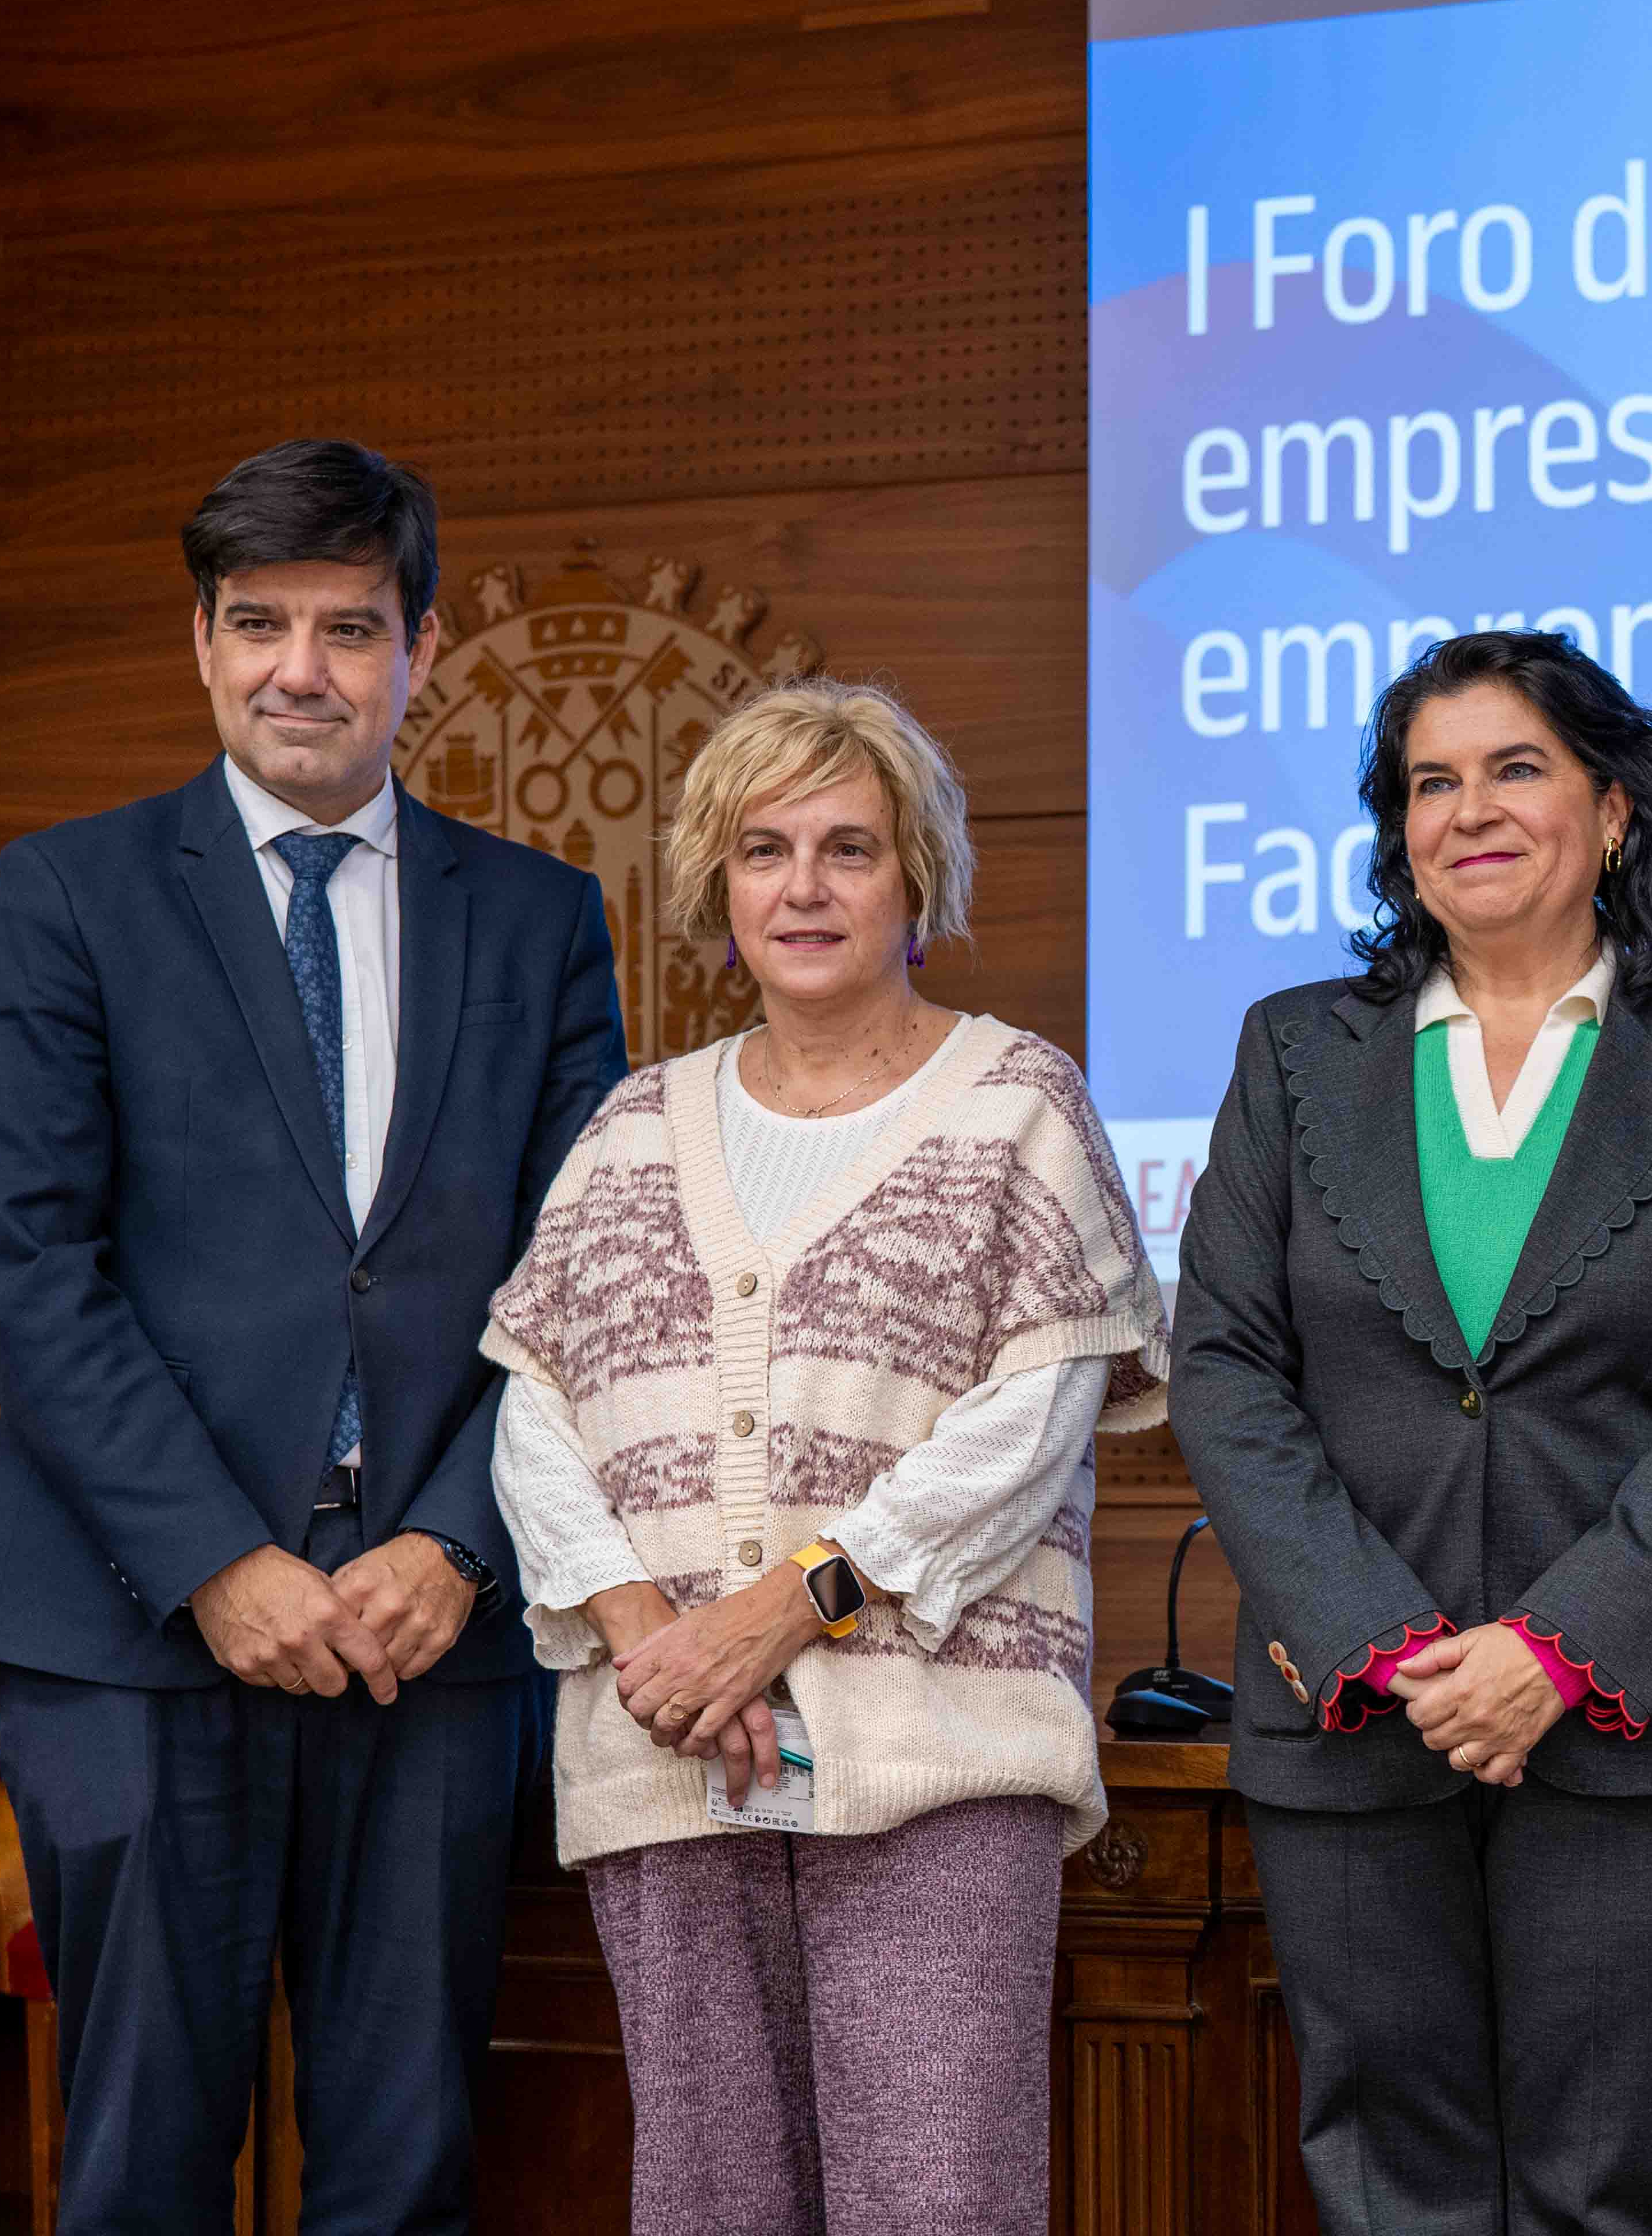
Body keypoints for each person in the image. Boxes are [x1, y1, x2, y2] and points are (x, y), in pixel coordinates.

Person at [0, 439, 628, 2231]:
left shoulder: (542, 918)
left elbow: (586, 1283)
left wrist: (457, 1546)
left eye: (349, 627)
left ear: (421, 646)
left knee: (405, 2172)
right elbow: (25, 1264)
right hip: (131, 1622)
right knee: (142, 2170)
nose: (299, 671)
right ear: (202, 639)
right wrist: (216, 1560)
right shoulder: (71, 891)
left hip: (430, 1634)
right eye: (258, 624)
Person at [481, 677, 1167, 2235]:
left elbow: (1033, 1421)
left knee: (937, 2202)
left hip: (938, 1757)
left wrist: (786, 1610)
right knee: (709, 2202)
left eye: (849, 849)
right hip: (664, 1753)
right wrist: (651, 1638)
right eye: (764, 850)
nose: (804, 887)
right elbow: (534, 1413)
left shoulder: (1018, 1106)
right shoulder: (632, 1126)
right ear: (717, 890)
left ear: (915, 881)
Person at [1171, 630, 1652, 2236]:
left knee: (1603, 2184)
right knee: (1388, 2183)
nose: (1468, 810)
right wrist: (1385, 1643)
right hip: (1353, 1716)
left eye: (1514, 768)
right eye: (1430, 782)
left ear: (1612, 810)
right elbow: (1228, 1369)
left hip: (1633, 1731)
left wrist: (1558, 1648)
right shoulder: (1292, 1050)